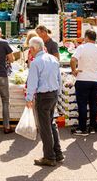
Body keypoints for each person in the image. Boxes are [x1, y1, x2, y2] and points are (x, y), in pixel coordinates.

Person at [26, 36, 63, 166]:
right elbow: (59, 79)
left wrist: (29, 98)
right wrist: (58, 93)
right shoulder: (53, 59)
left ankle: (49, 156)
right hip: (53, 94)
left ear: (33, 48)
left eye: (30, 49)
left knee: (45, 127)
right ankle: (58, 153)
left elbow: (32, 82)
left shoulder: (36, 62)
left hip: (43, 97)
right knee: (51, 124)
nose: (30, 51)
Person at [70, 29, 97, 136]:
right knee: (93, 104)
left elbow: (73, 60)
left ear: (86, 37)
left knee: (82, 104)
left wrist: (74, 71)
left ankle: (82, 128)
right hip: (95, 80)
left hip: (82, 79)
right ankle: (92, 126)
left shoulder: (82, 47)